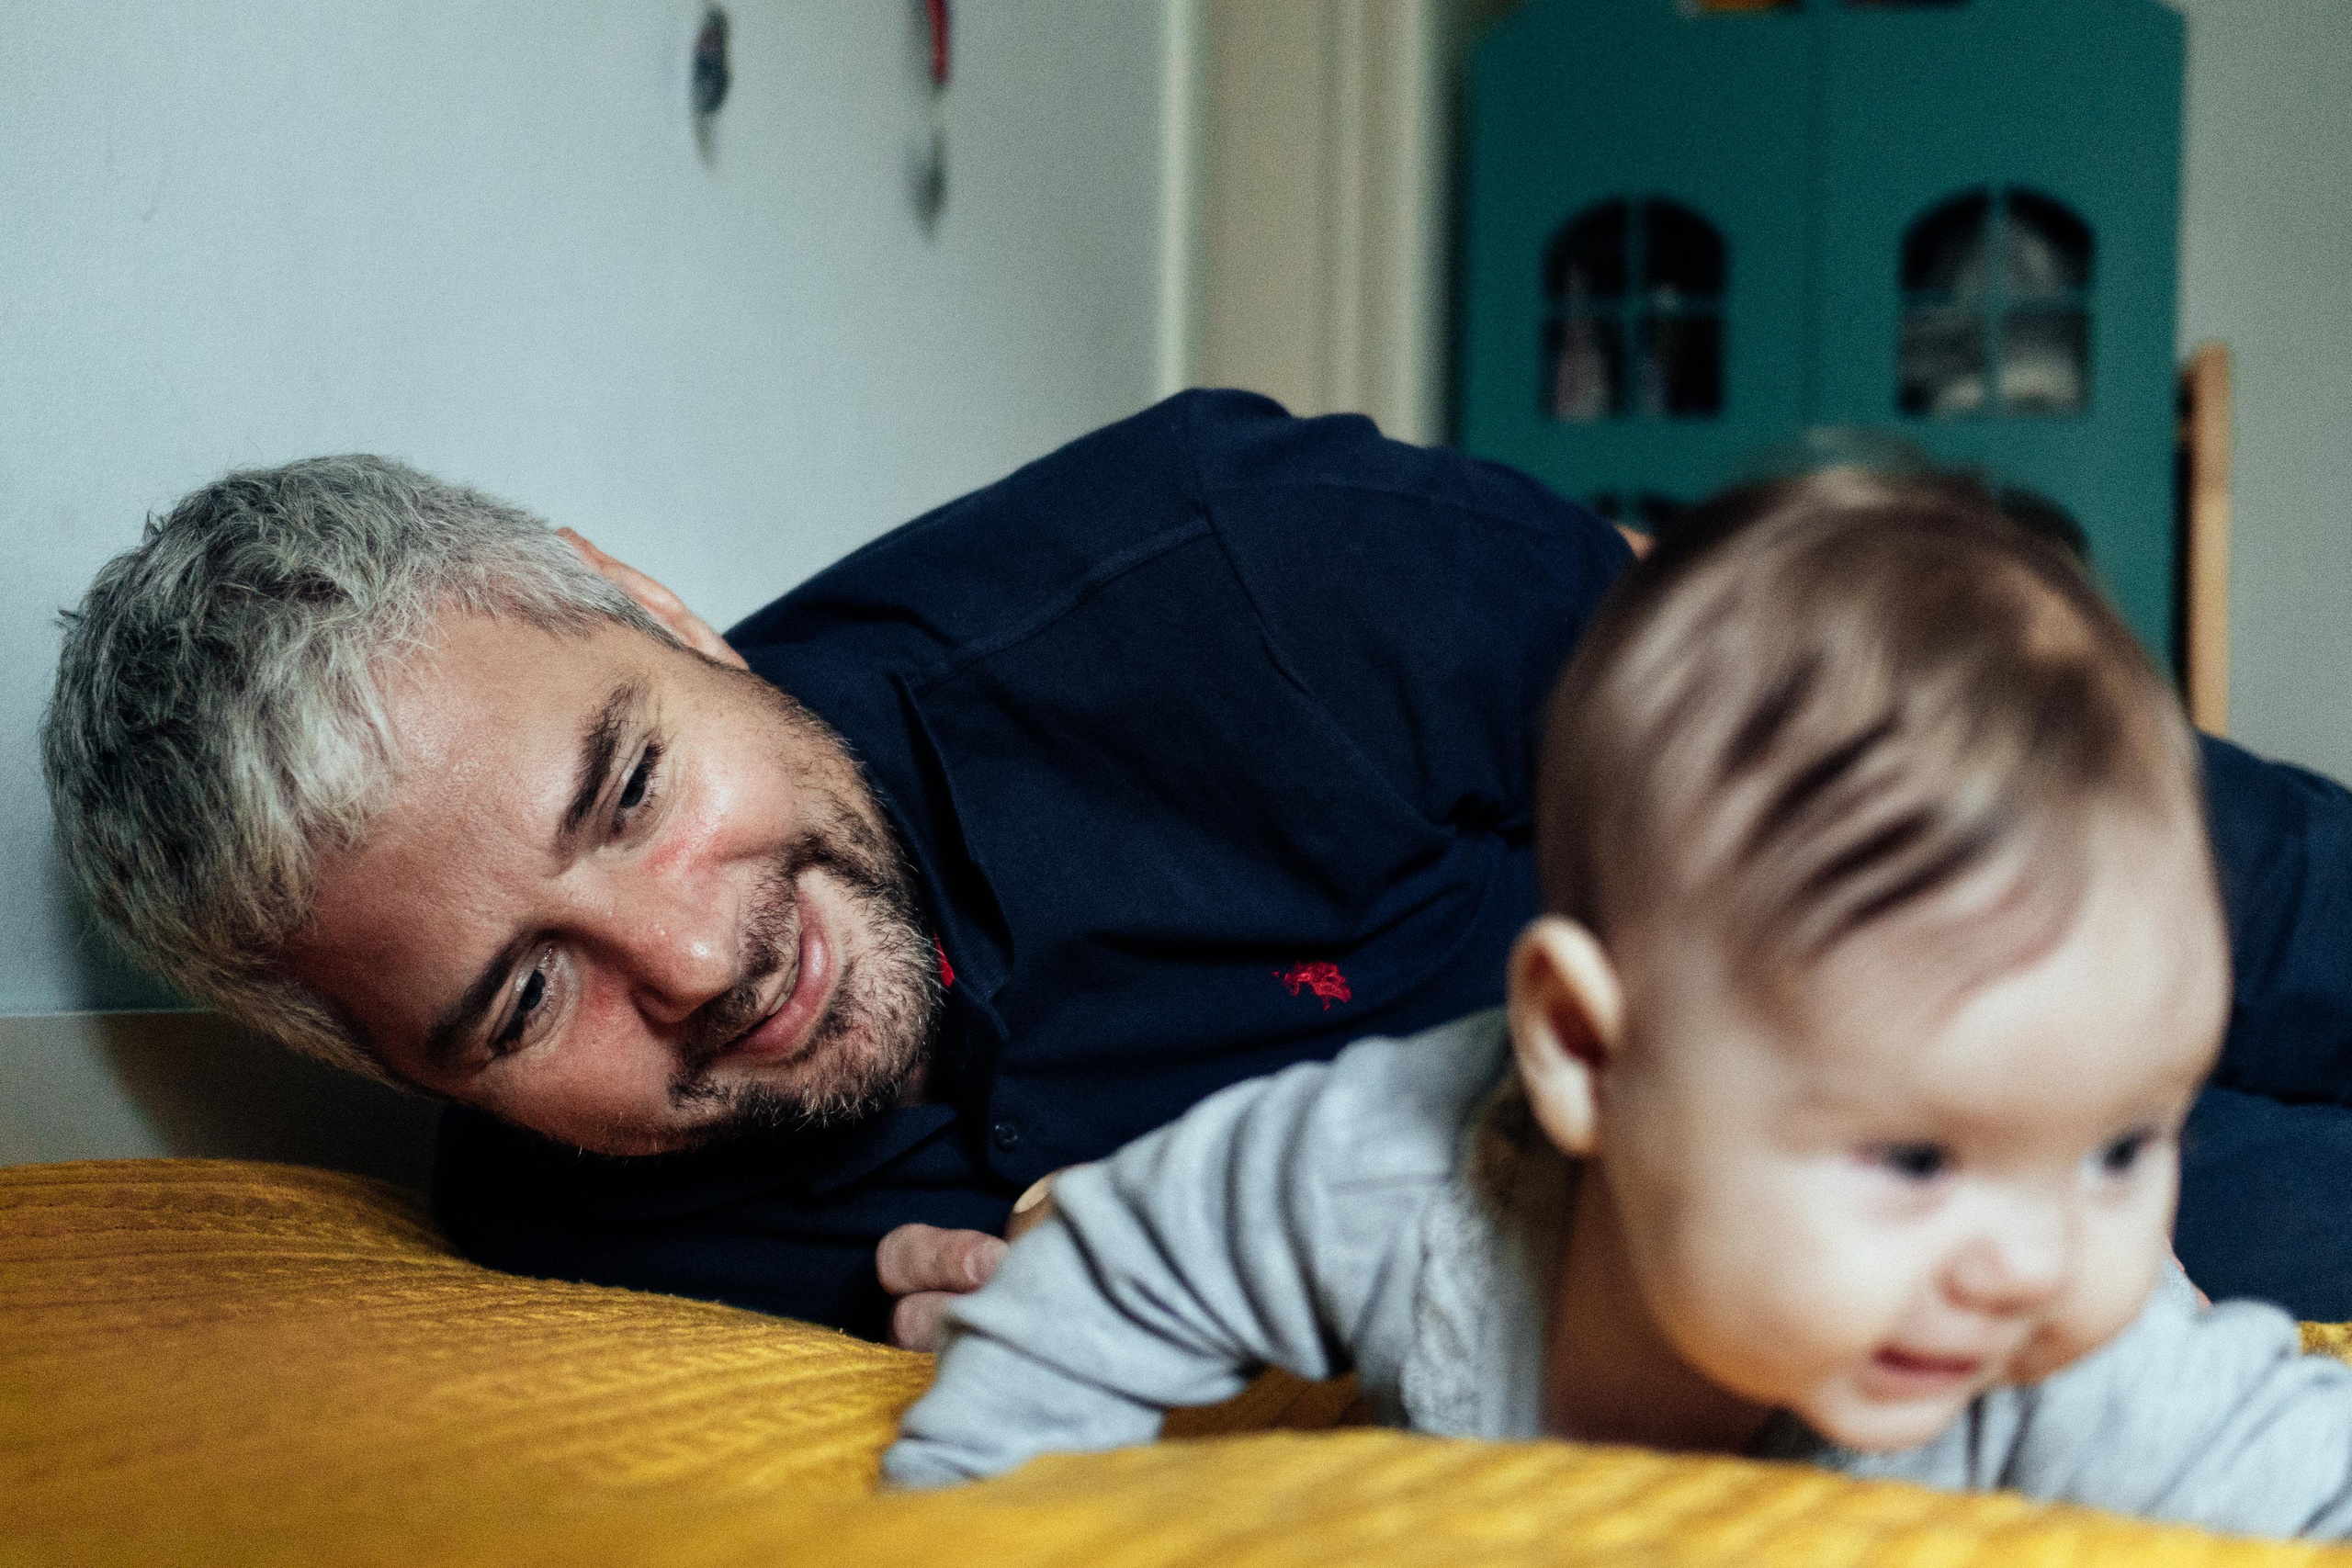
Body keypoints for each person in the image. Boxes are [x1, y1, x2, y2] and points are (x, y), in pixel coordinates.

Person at [38, 392, 2352, 1344]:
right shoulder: (548, 1211)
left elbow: (1925, 761)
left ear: (652, 606)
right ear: (393, 1062)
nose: (690, 957)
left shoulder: (1244, 578)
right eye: (518, 999)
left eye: (627, 785)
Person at [884, 473, 2352, 1541]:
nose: (2037, 1261)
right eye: (1913, 1160)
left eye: (2118, 1147)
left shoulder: (2064, 1363)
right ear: (1589, 1050)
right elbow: (1139, 1260)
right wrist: (969, 1501)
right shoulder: (1394, 1172)